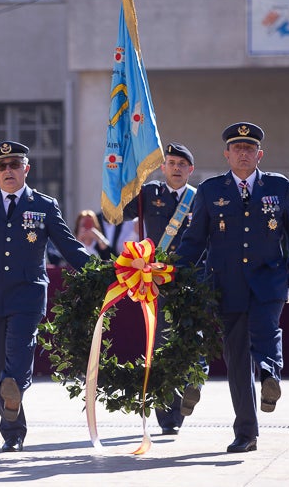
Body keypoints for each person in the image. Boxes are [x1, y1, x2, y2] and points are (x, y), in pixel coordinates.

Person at [0, 140, 91, 453]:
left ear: (26, 169)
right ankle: (13, 430)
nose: (8, 171)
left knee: (18, 352)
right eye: (1, 166)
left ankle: (14, 404)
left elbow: (69, 247)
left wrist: (101, 271)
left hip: (28, 294)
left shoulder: (43, 204)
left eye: (14, 164)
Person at [176, 122, 289, 453]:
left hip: (269, 279)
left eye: (250, 149)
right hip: (226, 283)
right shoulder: (210, 190)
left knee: (266, 330)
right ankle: (246, 433)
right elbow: (194, 242)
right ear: (227, 154)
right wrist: (171, 273)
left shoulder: (279, 186)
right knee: (235, 360)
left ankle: (269, 375)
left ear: (259, 154)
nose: (243, 154)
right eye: (237, 148)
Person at [124, 142, 207, 435]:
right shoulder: (149, 194)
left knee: (191, 338)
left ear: (190, 170)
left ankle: (191, 386)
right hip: (155, 281)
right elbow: (118, 209)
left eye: (182, 165)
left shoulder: (201, 198)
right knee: (159, 346)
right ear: (163, 167)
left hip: (191, 279)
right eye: (171, 163)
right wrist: (127, 171)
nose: (176, 169)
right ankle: (167, 416)